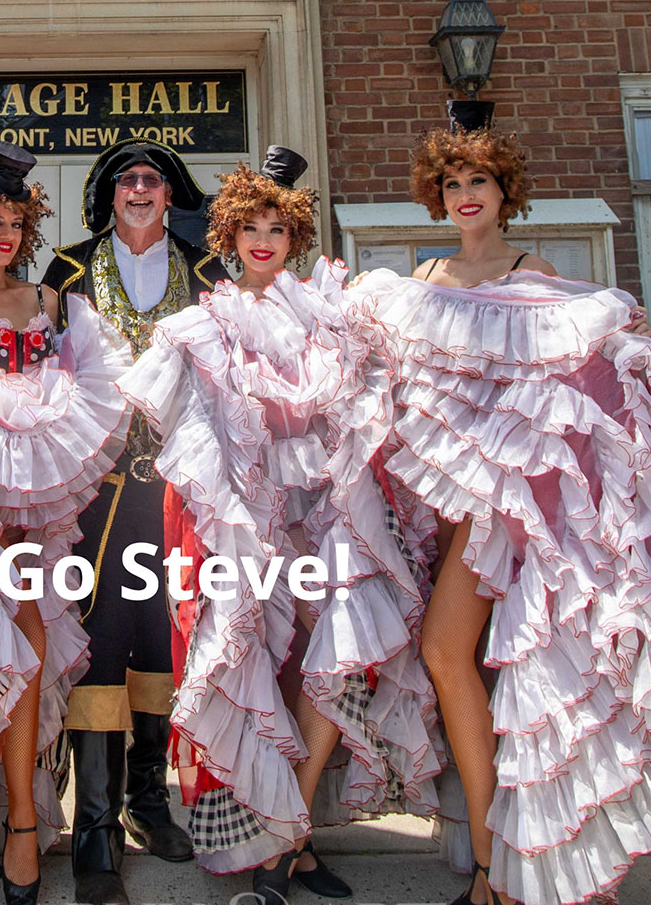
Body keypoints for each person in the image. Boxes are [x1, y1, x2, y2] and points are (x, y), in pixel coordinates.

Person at [350, 100, 651, 905]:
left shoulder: (536, 276)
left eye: (478, 182)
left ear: (503, 192)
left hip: (526, 516)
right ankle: (494, 860)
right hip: (452, 515)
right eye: (452, 183)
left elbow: (571, 388)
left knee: (520, 669)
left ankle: (534, 866)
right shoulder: (422, 284)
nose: (465, 195)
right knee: (450, 658)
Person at [118, 148, 442, 902]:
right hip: (246, 520)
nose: (264, 242)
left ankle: (292, 838)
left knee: (336, 656)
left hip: (328, 513)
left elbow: (369, 394)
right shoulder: (203, 323)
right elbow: (191, 438)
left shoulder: (331, 311)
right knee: (257, 667)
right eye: (251, 229)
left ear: (294, 237)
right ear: (229, 237)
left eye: (278, 229)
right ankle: (278, 844)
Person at [0, 142, 134, 905]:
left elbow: (89, 380)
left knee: (31, 642)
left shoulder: (46, 299)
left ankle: (22, 823)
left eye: (16, 223)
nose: (6, 235)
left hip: (33, 505)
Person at [41, 139, 229, 905]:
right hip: (98, 496)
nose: (142, 189)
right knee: (99, 645)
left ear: (169, 194)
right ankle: (94, 829)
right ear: (111, 195)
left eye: (153, 179)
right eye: (129, 180)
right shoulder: (67, 269)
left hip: (179, 492)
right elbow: (43, 370)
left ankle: (148, 803)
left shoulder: (207, 270)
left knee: (162, 643)